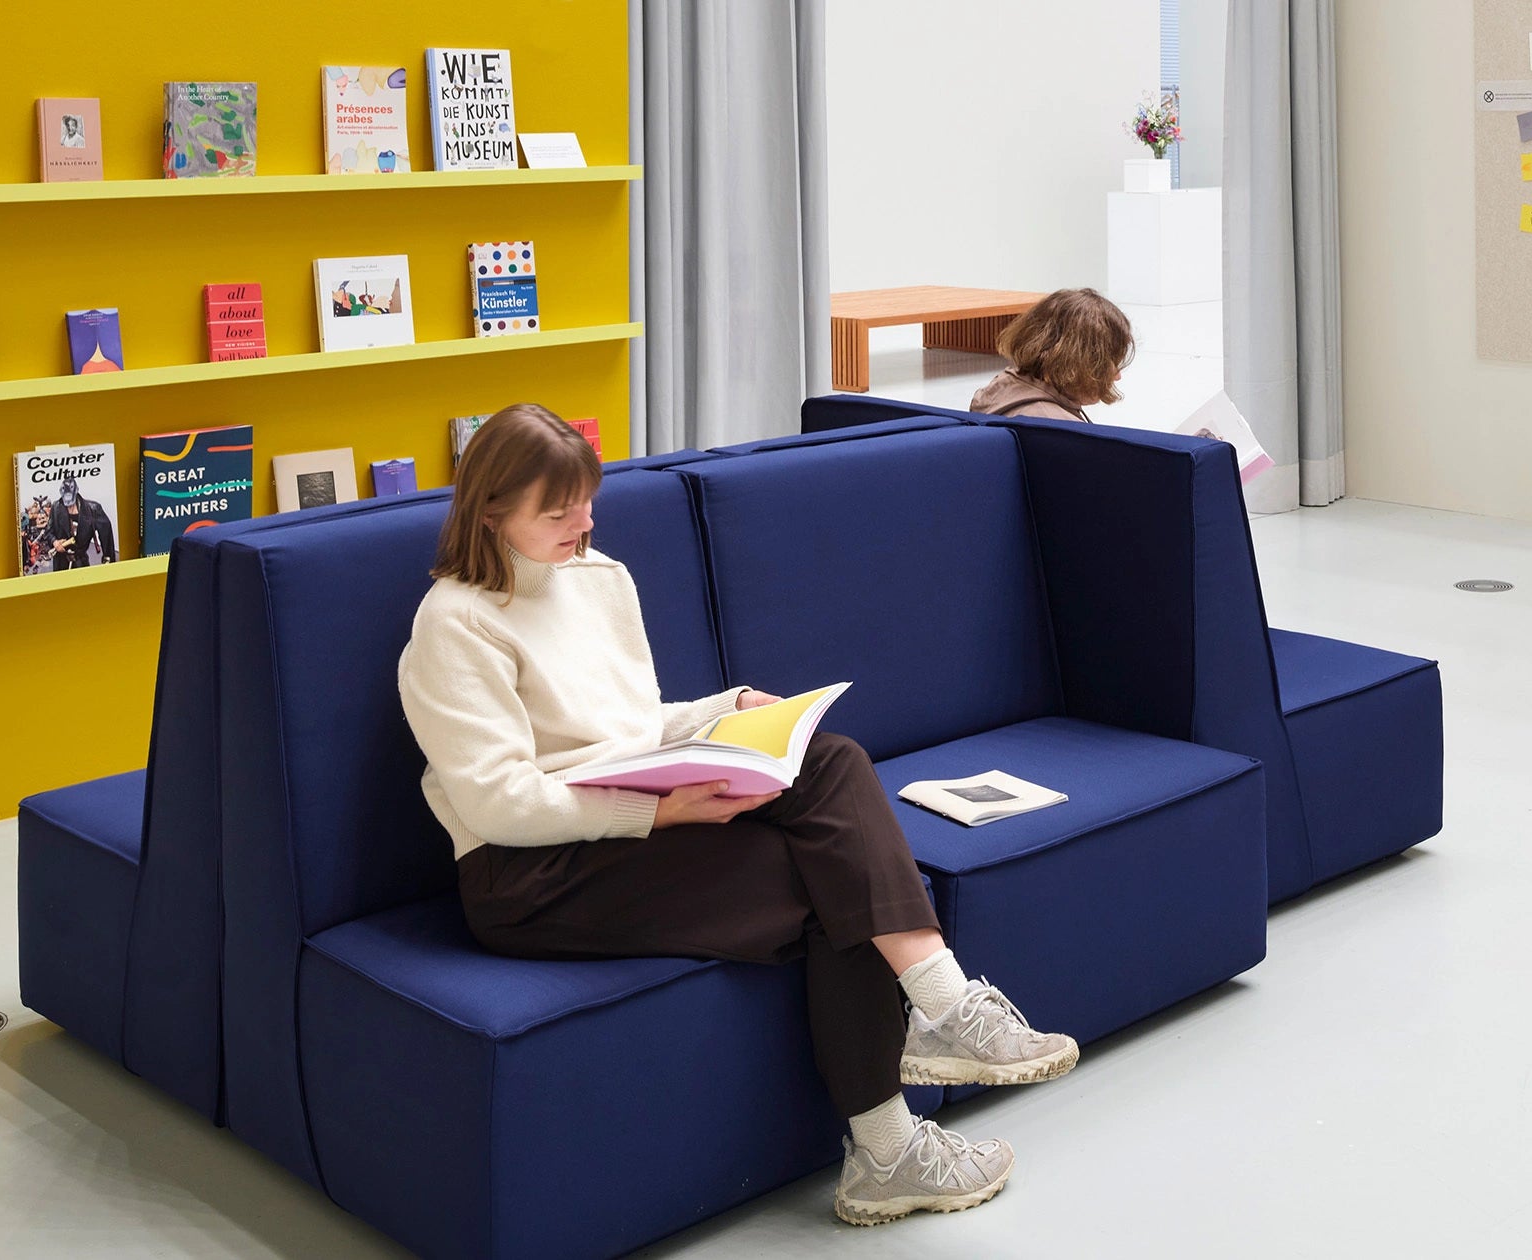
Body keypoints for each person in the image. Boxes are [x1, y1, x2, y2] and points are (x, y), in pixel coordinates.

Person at [396, 404, 1076, 1227]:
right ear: (490, 510)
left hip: (632, 809)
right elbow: (496, 800)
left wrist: (725, 710)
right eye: (559, 509)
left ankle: (942, 1013)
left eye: (587, 498)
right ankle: (895, 1141)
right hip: (529, 873)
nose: (585, 522)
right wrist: (660, 814)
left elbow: (630, 724)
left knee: (832, 761)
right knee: (834, 878)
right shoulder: (453, 625)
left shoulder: (598, 576)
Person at [968, 288, 1134, 423]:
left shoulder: (999, 390)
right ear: (1078, 362)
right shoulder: (1061, 428)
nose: (1117, 376)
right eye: (1110, 362)